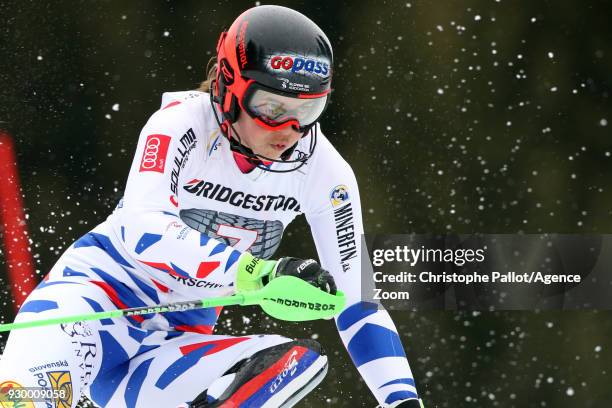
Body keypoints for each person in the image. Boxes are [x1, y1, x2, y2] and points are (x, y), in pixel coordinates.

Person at [0, 5, 423, 408]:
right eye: (271, 108)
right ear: (228, 85)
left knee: (293, 363)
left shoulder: (326, 172)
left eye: (308, 109)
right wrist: (258, 275)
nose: (290, 130)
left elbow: (357, 301)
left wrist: (401, 398)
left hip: (175, 341)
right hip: (93, 301)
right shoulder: (179, 125)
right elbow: (144, 229)